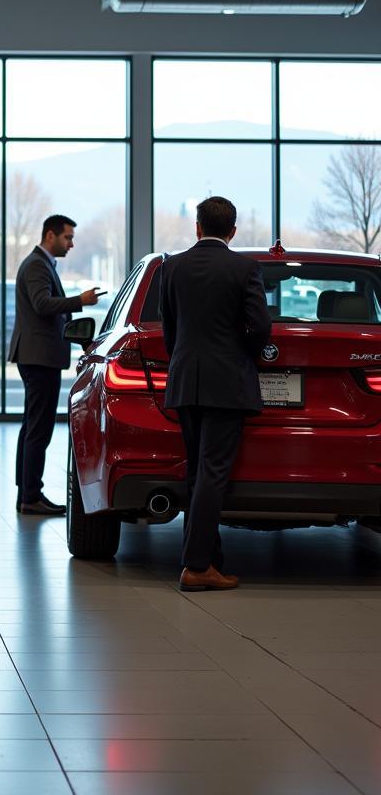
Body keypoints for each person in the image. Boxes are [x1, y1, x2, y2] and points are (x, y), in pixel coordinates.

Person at [159, 195, 272, 593]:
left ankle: (208, 560)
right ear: (233, 231)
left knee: (198, 472)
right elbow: (260, 328)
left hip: (185, 381)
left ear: (197, 226)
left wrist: (185, 363)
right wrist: (242, 354)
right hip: (227, 384)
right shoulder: (244, 268)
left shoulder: (171, 267)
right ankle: (195, 566)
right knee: (212, 473)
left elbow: (170, 332)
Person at [9, 214, 102, 515]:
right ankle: (30, 495)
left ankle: (27, 491)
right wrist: (80, 300)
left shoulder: (40, 263)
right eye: (68, 237)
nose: (72, 244)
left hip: (38, 355)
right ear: (51, 235)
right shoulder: (37, 264)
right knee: (39, 427)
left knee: (32, 425)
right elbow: (42, 304)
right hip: (38, 357)